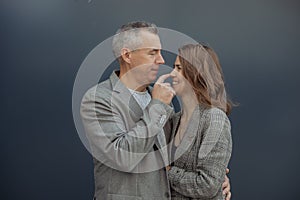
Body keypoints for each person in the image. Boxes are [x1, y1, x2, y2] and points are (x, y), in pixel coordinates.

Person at [80, 21, 231, 200]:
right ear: (127, 55)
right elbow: (122, 156)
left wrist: (217, 177)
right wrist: (158, 104)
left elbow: (172, 161)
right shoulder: (98, 99)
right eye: (153, 53)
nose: (161, 60)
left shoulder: (163, 101)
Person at [165, 43, 233, 199]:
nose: (172, 74)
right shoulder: (175, 120)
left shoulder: (215, 119)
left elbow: (207, 185)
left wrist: (166, 173)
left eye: (179, 68)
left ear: (197, 73)